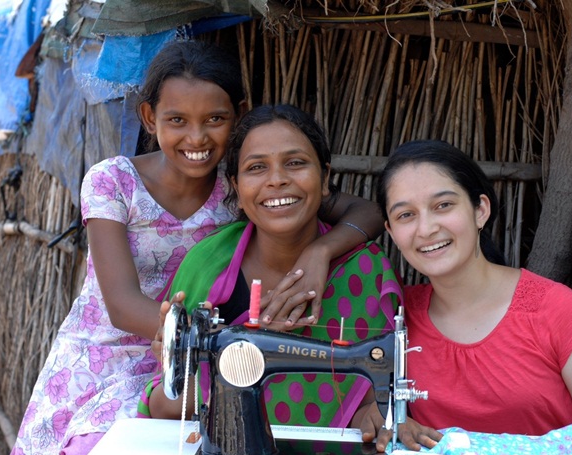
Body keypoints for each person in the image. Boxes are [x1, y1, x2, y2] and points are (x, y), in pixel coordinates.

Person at [3, 42, 385, 455]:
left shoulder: (242, 182)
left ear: (238, 115)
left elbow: (367, 213)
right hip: (110, 353)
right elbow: (123, 305)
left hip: (197, 359)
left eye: (215, 120)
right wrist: (219, 342)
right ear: (149, 118)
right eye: (177, 121)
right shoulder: (114, 182)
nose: (197, 138)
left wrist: (322, 251)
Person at [137, 104, 403, 427]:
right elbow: (167, 406)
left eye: (295, 163)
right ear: (236, 186)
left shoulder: (365, 272)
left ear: (325, 178)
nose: (277, 180)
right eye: (256, 168)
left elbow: (380, 401)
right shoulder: (206, 267)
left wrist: (372, 414)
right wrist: (190, 362)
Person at [353, 139, 572, 452]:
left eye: (443, 205)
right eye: (406, 215)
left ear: (480, 210)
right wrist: (380, 415)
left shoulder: (557, 312)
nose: (425, 229)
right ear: (391, 232)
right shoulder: (397, 317)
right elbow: (361, 409)